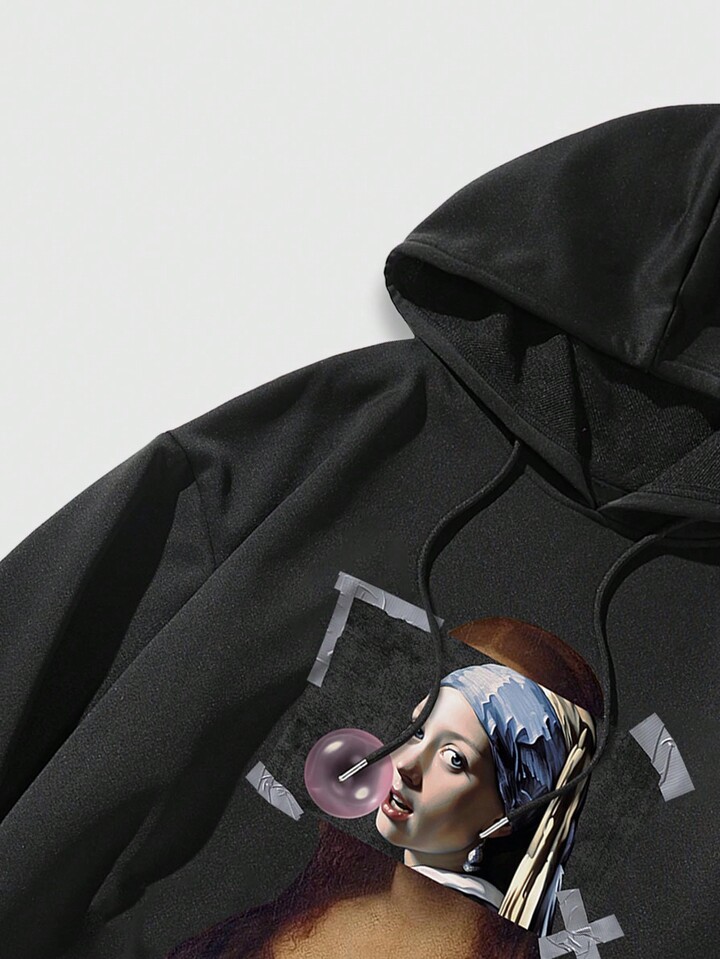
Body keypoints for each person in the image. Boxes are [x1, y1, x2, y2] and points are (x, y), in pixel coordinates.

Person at [375, 660, 596, 935]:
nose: (405, 765)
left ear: (501, 820)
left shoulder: (448, 925)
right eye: (418, 730)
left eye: (454, 759)